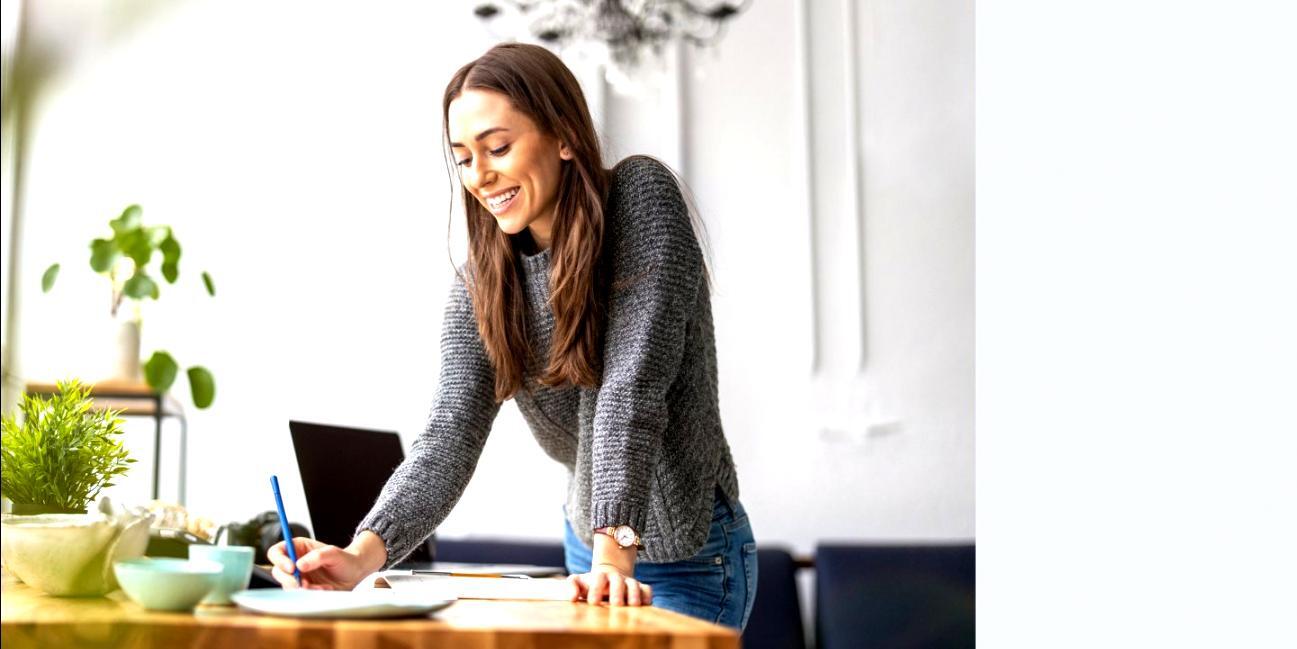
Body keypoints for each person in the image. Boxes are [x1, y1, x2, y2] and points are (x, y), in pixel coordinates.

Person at [268, 42, 756, 630]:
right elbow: (451, 431)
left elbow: (631, 386)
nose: (480, 175)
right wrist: (359, 555)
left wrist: (614, 557)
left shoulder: (639, 197)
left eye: (498, 147)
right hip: (589, 553)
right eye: (464, 158)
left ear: (563, 136)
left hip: (687, 551)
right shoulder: (485, 281)